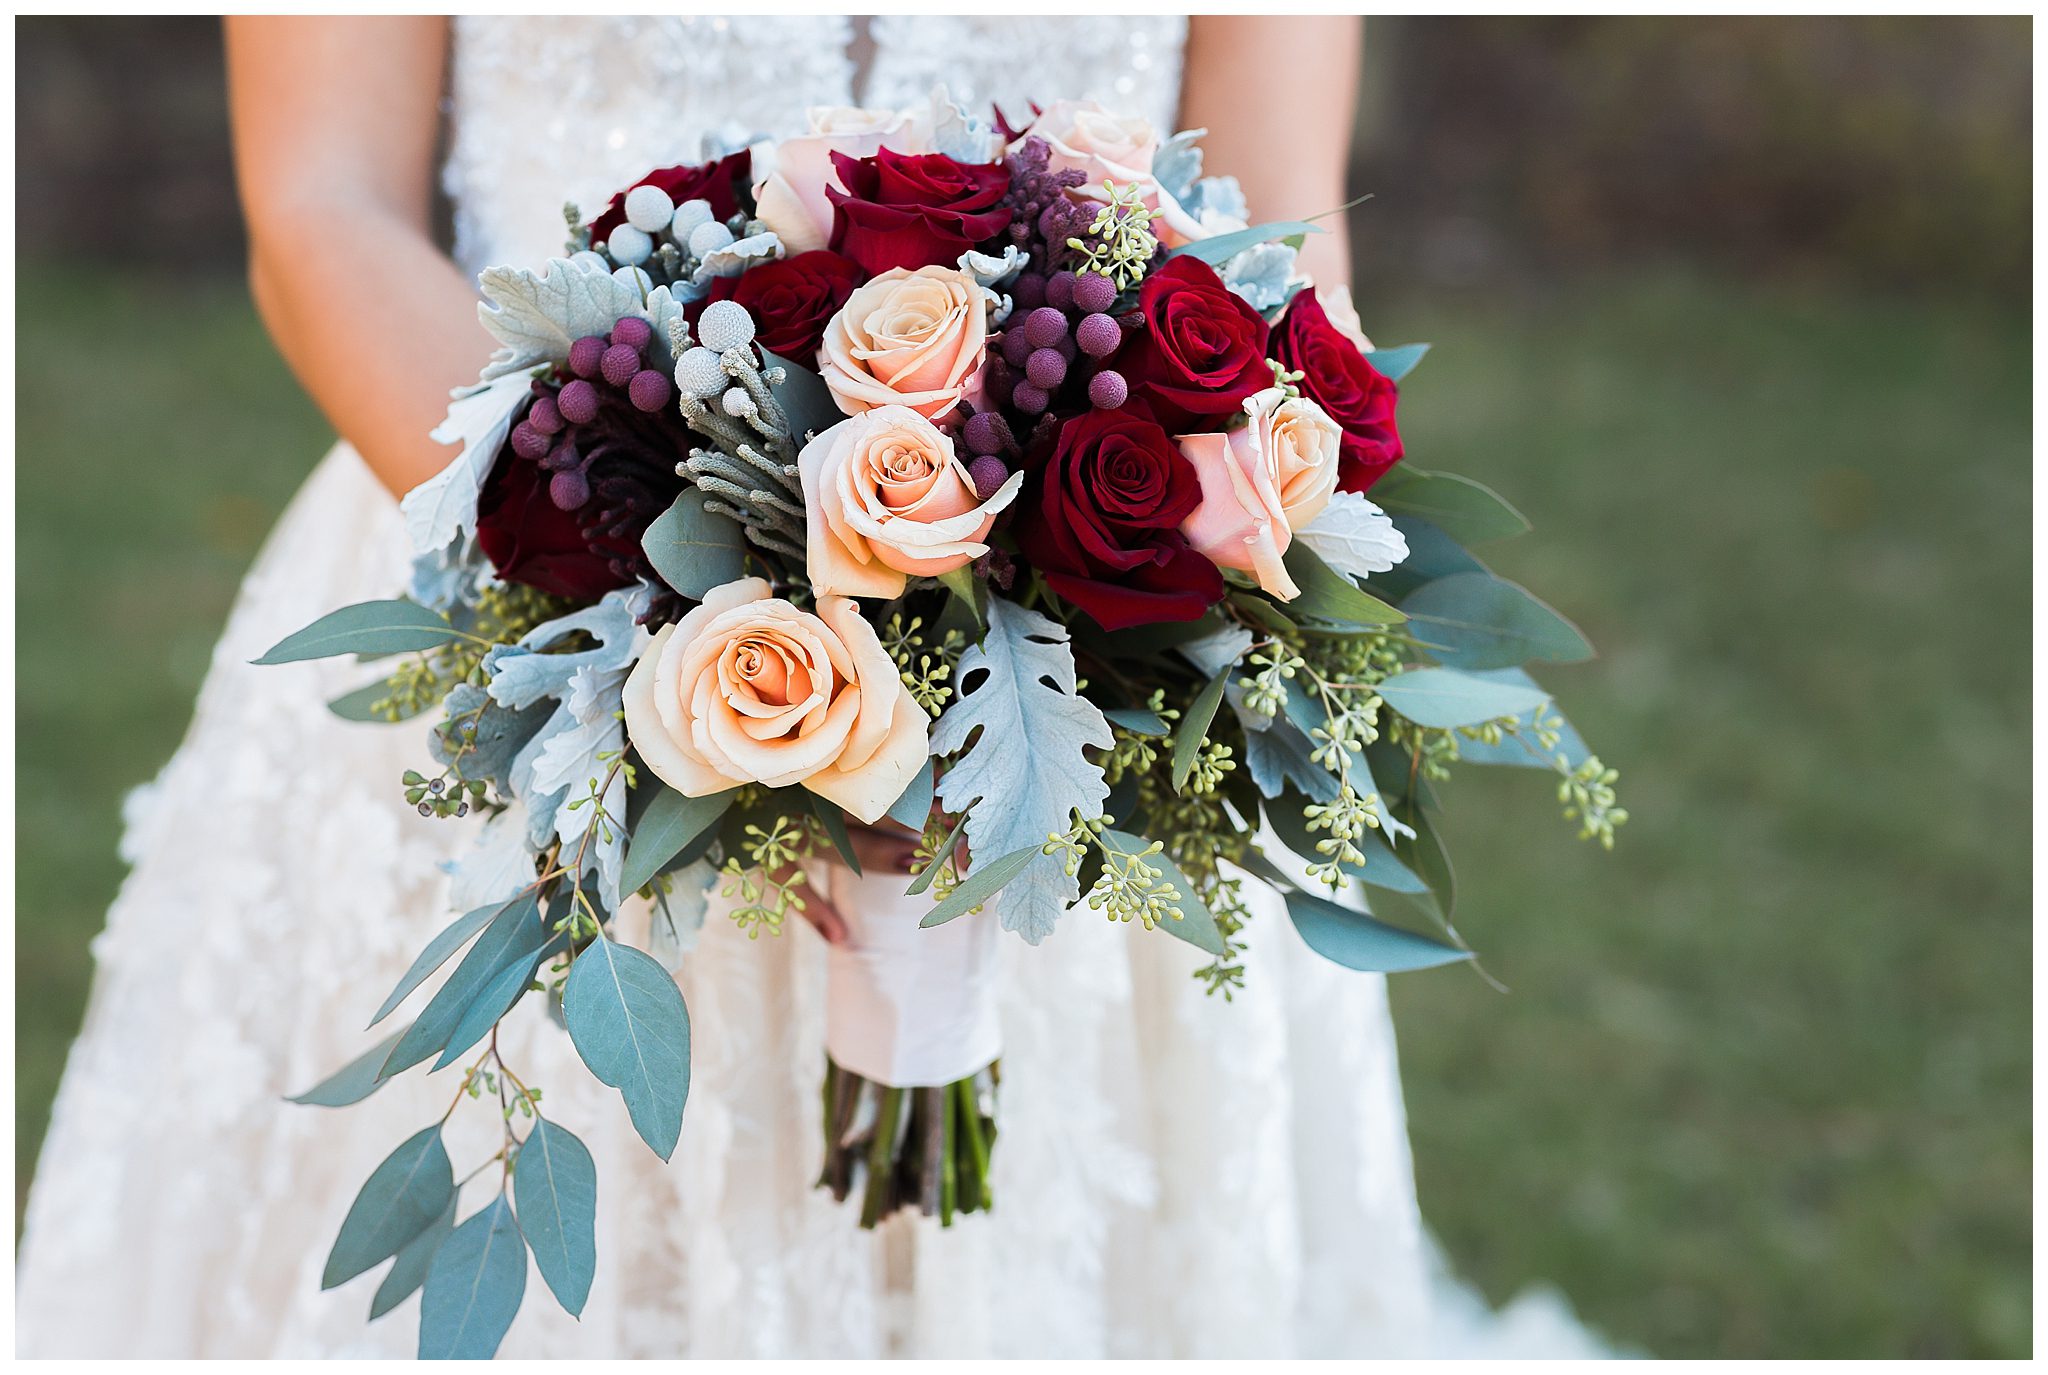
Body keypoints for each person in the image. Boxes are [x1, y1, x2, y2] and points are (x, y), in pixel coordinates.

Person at [15, 16, 1612, 1358]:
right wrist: (675, 627)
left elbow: (1282, 225)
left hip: (1078, 695)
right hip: (532, 609)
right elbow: (323, 205)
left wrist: (1133, 617)